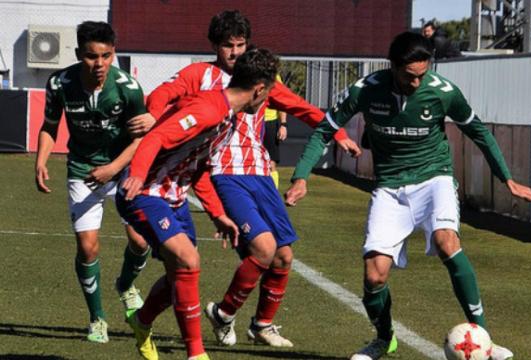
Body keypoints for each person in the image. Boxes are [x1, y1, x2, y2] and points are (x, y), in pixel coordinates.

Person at [285, 32, 531, 360]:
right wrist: (301, 177)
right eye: (410, 76)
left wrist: (507, 178)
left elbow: (478, 132)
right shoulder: (365, 89)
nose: (418, 83)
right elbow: (324, 129)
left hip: (434, 179)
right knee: (374, 274)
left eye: (423, 74)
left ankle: (484, 338)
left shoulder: (443, 92)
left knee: (447, 241)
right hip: (389, 186)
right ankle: (383, 338)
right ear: (393, 67)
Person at [131, 10, 360, 348]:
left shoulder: (256, 79)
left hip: (261, 173)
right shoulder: (200, 75)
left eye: (240, 45)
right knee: (264, 249)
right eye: (228, 46)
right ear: (214, 46)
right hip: (224, 173)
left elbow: (300, 107)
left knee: (283, 256)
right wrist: (153, 111)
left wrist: (337, 133)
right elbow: (165, 91)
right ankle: (219, 317)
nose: (235, 52)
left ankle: (259, 324)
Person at [116, 48, 278, 360]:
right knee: (189, 260)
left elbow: (199, 168)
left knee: (181, 272)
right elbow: (155, 138)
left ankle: (141, 321)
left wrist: (217, 213)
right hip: (146, 193)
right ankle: (196, 354)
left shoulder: (227, 117)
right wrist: (136, 175)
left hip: (174, 197)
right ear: (259, 89)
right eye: (268, 93)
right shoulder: (209, 110)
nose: (265, 101)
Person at [34, 21, 153, 344]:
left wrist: (114, 167)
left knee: (142, 241)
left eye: (106, 56)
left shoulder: (128, 87)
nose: (99, 64)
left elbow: (142, 139)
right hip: (82, 170)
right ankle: (97, 317)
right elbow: (49, 126)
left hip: (123, 169)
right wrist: (41, 160)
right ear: (78, 54)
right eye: (90, 56)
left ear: (113, 54)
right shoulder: (60, 83)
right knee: (87, 248)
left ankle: (126, 285)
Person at [263, 74, 288, 188]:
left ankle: (273, 196)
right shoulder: (247, 71)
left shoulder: (274, 76)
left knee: (271, 163)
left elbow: (281, 101)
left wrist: (283, 124)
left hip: (270, 123)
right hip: (251, 122)